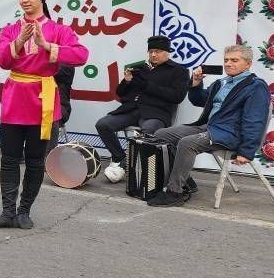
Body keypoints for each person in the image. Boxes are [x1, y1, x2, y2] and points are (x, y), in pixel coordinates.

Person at [0, 0, 89, 230]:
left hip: (43, 102)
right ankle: (7, 212)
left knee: (35, 160)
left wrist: (46, 45)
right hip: (14, 100)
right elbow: (1, 60)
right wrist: (19, 41)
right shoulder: (10, 30)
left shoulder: (58, 30)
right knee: (9, 158)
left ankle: (24, 211)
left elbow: (81, 55)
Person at [147, 44, 270, 207]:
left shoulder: (256, 86)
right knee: (161, 134)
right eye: (226, 60)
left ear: (248, 64)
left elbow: (254, 120)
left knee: (187, 143)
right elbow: (198, 100)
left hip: (229, 133)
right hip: (208, 127)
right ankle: (185, 181)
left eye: (234, 60)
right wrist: (196, 83)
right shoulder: (222, 83)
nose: (228, 64)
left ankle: (174, 192)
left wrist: (247, 151)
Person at [97, 35, 189, 182]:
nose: (153, 54)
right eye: (151, 51)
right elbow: (120, 93)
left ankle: (141, 170)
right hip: (132, 109)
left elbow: (177, 96)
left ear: (167, 52)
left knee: (148, 132)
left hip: (156, 112)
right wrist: (126, 81)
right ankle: (121, 158)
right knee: (103, 124)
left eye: (158, 51)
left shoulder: (179, 71)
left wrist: (147, 85)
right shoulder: (140, 68)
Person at [46, 64, 75, 155]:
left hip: (59, 107)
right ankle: (16, 154)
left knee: (50, 114)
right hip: (37, 103)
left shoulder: (67, 65)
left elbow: (45, 68)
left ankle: (48, 156)